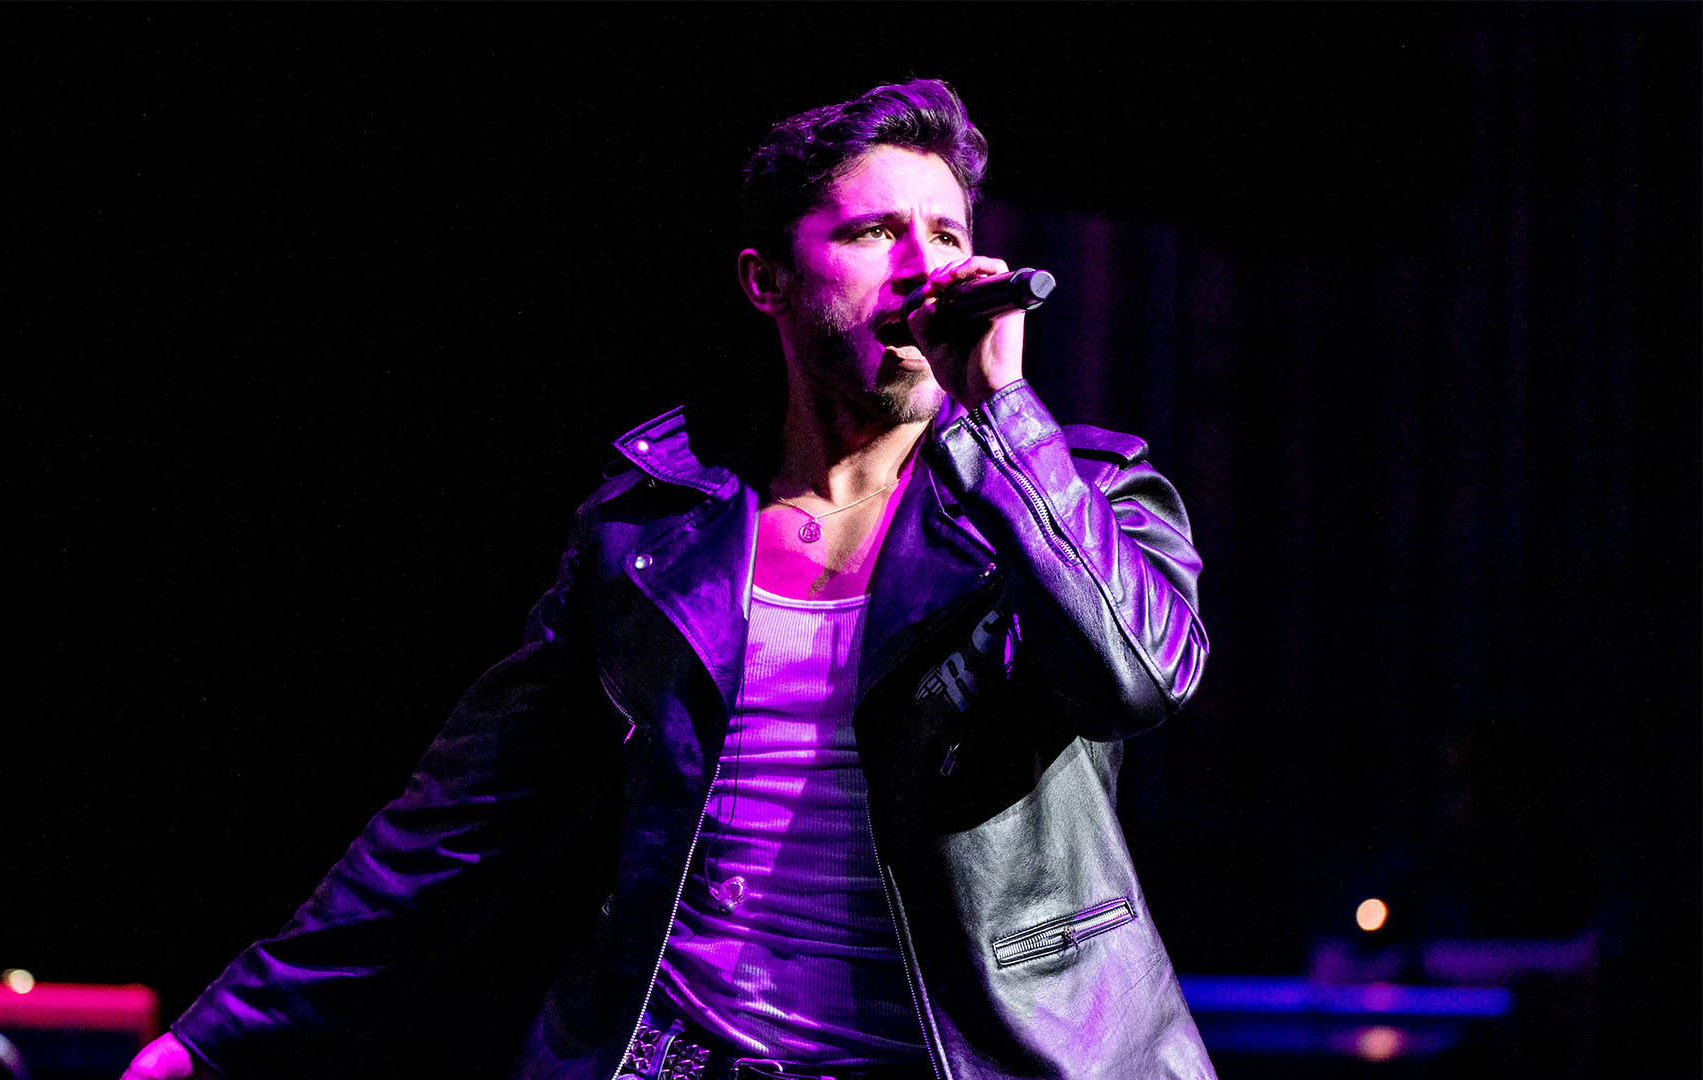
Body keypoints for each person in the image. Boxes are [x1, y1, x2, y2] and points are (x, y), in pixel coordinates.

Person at [124, 78, 1214, 1080]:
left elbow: (1134, 680)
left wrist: (1002, 426)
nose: (922, 267)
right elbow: (455, 821)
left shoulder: (1082, 490)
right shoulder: (657, 527)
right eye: (876, 232)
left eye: (945, 234)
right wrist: (216, 1043)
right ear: (767, 281)